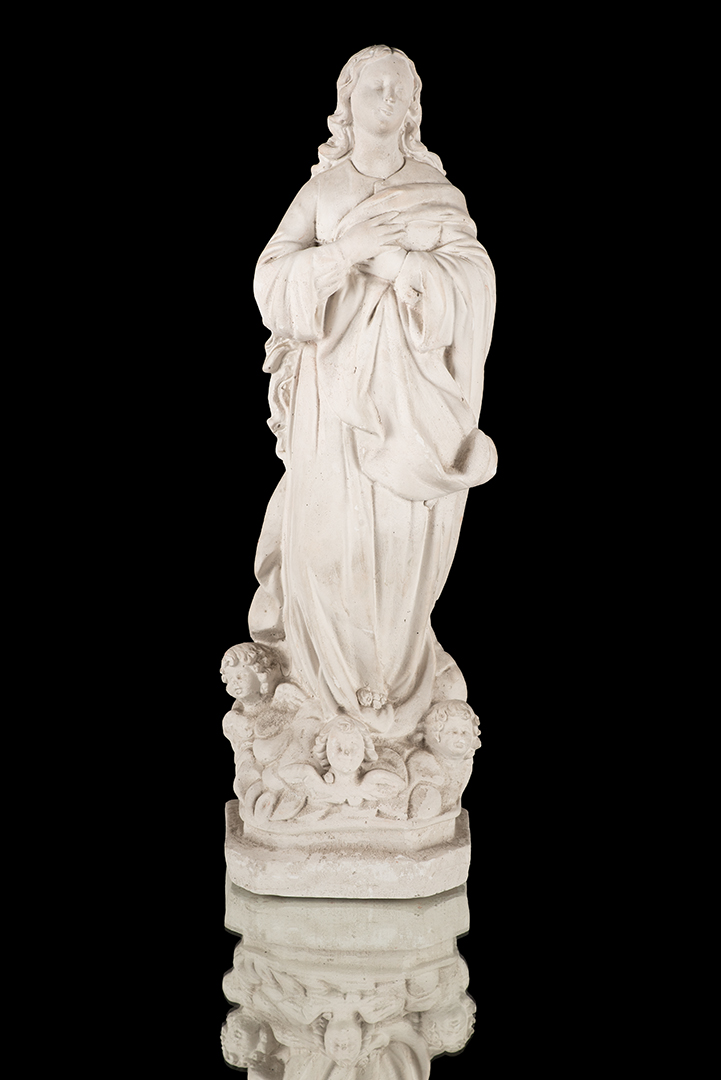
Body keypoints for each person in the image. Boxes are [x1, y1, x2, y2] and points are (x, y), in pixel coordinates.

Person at [250, 45, 496, 738]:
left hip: (411, 407)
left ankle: (392, 682)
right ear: (347, 102)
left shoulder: (437, 193)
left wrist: (399, 265)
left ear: (414, 107)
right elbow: (270, 280)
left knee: (397, 540)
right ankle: (321, 694)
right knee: (327, 533)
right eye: (374, 87)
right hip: (332, 401)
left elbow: (475, 284)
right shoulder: (323, 193)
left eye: (401, 89)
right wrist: (343, 254)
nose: (388, 98)